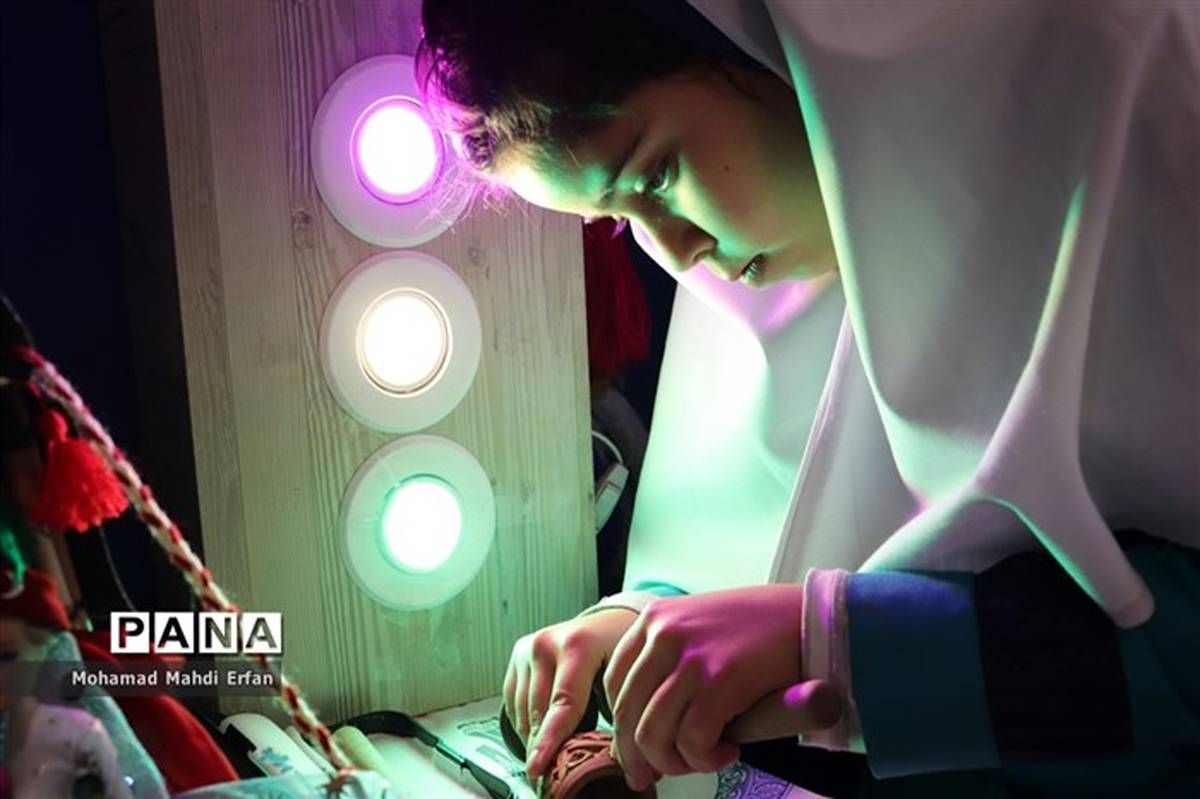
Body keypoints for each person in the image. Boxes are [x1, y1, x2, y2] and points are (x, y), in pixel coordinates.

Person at [416, 1, 1200, 796]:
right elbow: (767, 528)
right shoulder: (769, 260)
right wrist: (644, 629)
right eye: (620, 221)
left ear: (779, 49)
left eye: (655, 175)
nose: (678, 253)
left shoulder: (1136, 115)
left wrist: (841, 645)